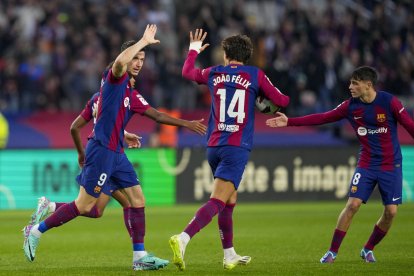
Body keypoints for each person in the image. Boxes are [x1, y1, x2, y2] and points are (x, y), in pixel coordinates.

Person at [23, 24, 207, 271]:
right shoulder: (115, 77)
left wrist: (185, 123)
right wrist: (141, 42)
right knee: (86, 206)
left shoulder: (131, 92)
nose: (139, 63)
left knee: (137, 199)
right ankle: (35, 231)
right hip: (101, 151)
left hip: (116, 153)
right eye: (136, 58)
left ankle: (139, 257)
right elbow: (120, 64)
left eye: (142, 59)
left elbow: (156, 115)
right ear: (127, 57)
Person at [169, 29, 290, 271]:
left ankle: (229, 254)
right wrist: (263, 101)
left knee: (229, 199)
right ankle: (183, 238)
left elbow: (187, 72)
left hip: (214, 145)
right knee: (217, 200)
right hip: (237, 146)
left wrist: (193, 50)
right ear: (247, 56)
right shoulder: (255, 74)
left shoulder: (215, 72)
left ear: (225, 55)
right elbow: (283, 101)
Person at [266, 66, 414, 263]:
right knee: (352, 204)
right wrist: (290, 121)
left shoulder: (389, 102)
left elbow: (409, 125)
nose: (350, 86)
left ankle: (368, 248)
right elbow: (323, 117)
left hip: (391, 165)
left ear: (368, 85)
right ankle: (332, 252)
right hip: (367, 164)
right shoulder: (350, 106)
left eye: (355, 83)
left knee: (391, 212)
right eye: (350, 82)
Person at [28, 89, 141, 229]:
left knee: (97, 210)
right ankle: (138, 249)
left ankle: (50, 206)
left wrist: (125, 134)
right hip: (107, 156)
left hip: (105, 154)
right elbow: (104, 124)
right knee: (124, 203)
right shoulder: (115, 98)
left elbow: (105, 124)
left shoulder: (98, 97)